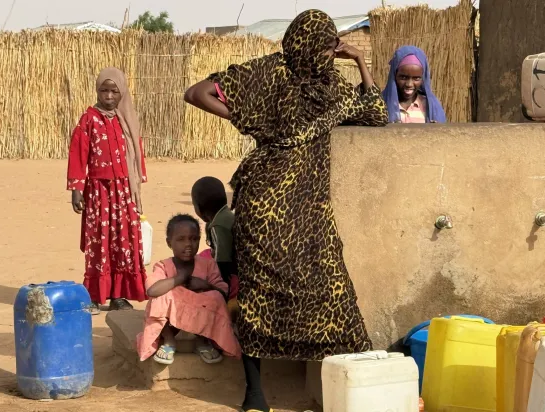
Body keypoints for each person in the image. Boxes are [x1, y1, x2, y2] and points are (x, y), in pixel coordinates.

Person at [184, 9, 388, 412]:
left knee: (290, 295)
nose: (331, 52)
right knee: (297, 295)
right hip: (286, 208)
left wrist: (362, 62)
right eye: (329, 44)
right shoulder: (304, 81)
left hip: (284, 207)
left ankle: (274, 394)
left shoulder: (300, 78)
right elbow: (196, 92)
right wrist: (361, 62)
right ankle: (291, 394)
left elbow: (196, 93)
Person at [67, 67, 148, 315]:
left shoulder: (127, 121)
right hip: (98, 193)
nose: (109, 96)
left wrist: (136, 182)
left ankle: (119, 295)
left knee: (123, 242)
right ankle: (95, 294)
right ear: (97, 90)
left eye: (114, 91)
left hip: (124, 192)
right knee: (99, 242)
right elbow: (78, 154)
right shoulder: (88, 119)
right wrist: (76, 187)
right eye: (104, 90)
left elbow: (136, 153)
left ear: (121, 92)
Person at [136, 214, 241, 365]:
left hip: (199, 319)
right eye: (181, 239)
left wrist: (206, 286)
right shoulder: (163, 266)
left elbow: (223, 294)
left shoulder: (207, 265)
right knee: (160, 297)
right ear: (169, 242)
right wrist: (180, 278)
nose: (188, 244)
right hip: (172, 321)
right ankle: (169, 340)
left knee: (215, 297)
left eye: (194, 239)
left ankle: (202, 340)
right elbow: (152, 291)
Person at [191, 177, 239, 303]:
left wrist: (218, 286)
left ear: (199, 208)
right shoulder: (225, 215)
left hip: (233, 273)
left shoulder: (218, 225)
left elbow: (222, 260)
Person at [382, 45, 446, 123]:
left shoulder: (431, 107)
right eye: (403, 77)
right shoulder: (382, 103)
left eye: (416, 78)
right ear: (394, 75)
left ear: (423, 79)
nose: (409, 84)